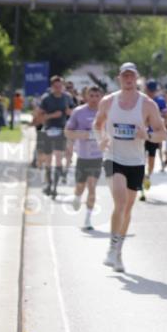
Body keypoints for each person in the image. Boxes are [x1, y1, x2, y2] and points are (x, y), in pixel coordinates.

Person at [93, 63, 167, 272]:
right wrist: (101, 139)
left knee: (127, 208)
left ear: (136, 78)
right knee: (120, 201)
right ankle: (111, 247)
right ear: (119, 78)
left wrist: (148, 135)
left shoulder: (148, 105)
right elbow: (97, 124)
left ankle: (118, 251)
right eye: (124, 76)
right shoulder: (108, 101)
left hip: (135, 161)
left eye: (131, 76)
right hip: (113, 157)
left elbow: (162, 133)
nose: (128, 79)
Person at [64, 86, 104, 230]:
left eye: (97, 96)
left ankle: (88, 219)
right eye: (91, 96)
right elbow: (67, 132)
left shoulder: (105, 112)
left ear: (101, 97)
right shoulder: (78, 112)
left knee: (92, 187)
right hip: (82, 156)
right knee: (80, 186)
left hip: (97, 156)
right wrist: (83, 135)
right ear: (86, 96)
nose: (94, 99)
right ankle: (77, 196)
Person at [35, 76, 75, 198]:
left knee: (58, 158)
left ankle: (55, 188)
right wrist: (52, 115)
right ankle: (49, 183)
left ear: (63, 86)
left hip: (62, 130)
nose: (58, 88)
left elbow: (73, 113)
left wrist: (69, 112)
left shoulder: (67, 97)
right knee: (48, 160)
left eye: (60, 86)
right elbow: (39, 118)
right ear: (52, 86)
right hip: (48, 130)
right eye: (56, 86)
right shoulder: (46, 99)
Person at [142, 80, 167, 195]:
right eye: (149, 90)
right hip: (141, 135)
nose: (151, 93)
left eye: (153, 91)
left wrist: (162, 128)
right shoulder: (140, 100)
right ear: (145, 89)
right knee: (140, 159)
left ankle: (147, 176)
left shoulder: (160, 101)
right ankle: (141, 182)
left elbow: (166, 115)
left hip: (153, 135)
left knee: (151, 160)